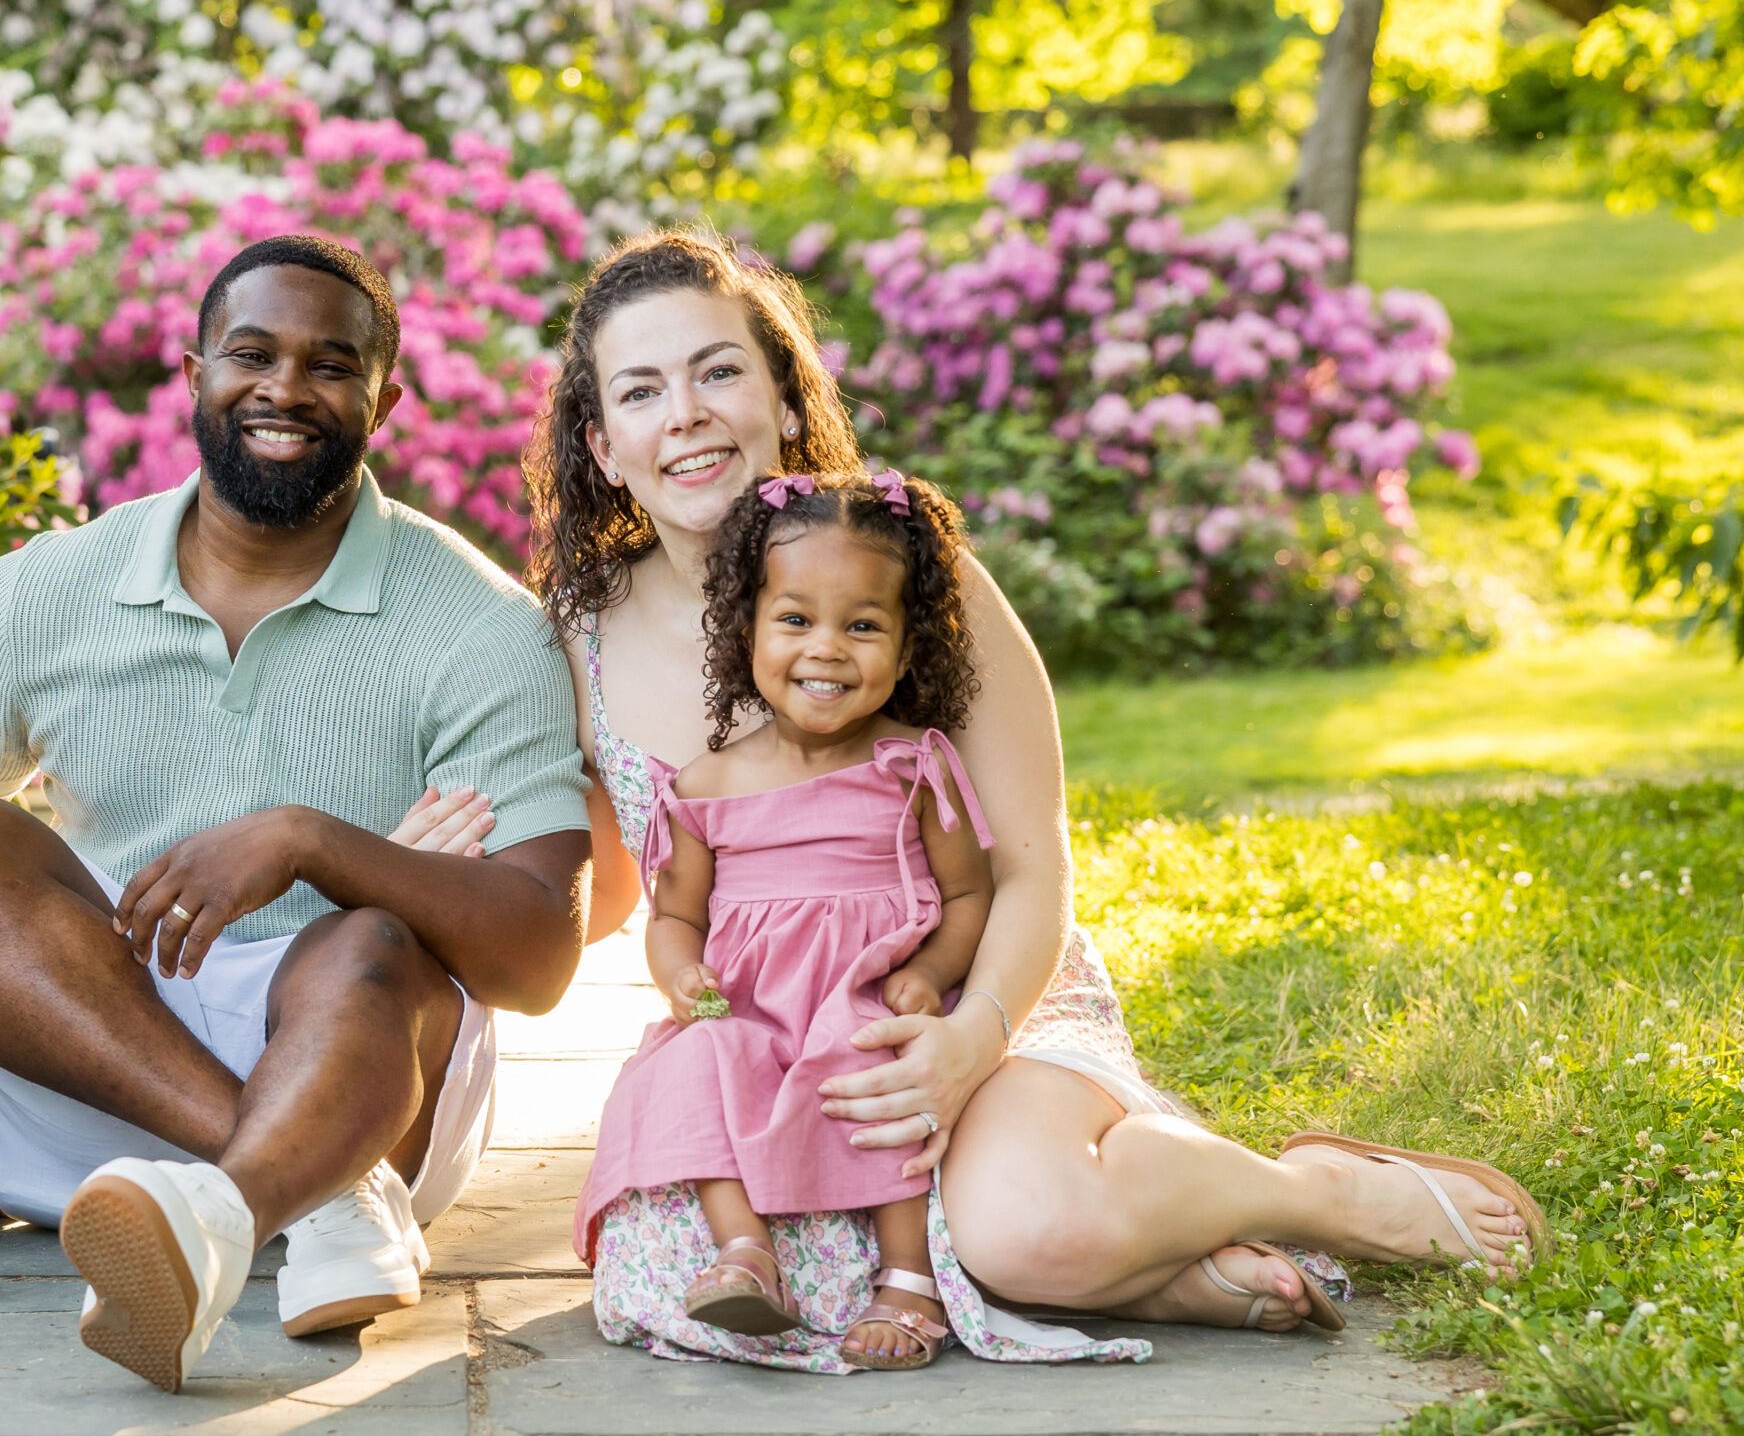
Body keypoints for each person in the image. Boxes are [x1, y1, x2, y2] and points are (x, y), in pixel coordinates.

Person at [513, 228, 1542, 1372]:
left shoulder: (914, 575)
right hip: (766, 1039)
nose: (687, 413)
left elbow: (1031, 867)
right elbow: (608, 882)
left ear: (784, 400)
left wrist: (968, 1037)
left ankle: (1321, 1191)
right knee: (710, 1257)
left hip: (976, 985)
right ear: (603, 446)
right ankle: (1172, 1269)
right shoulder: (577, 634)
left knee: (1024, 1223)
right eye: (643, 390)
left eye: (717, 372)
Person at [0, 235, 591, 1393]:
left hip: (366, 1078)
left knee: (366, 936)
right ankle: (288, 1193)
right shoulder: (38, 594)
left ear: (387, 396)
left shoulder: (478, 625)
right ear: (191, 374)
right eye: (252, 353)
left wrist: (313, 838)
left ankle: (223, 1206)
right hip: (93, 1069)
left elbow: (537, 958)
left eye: (331, 363)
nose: (284, 387)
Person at [575, 470, 998, 1371]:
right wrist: (680, 976)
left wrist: (930, 974)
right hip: (754, 1010)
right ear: (747, 630)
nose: (828, 650)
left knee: (874, 1054)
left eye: (863, 625)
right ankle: (744, 1250)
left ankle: (908, 1274)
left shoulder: (913, 767)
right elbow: (673, 917)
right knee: (689, 1062)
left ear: (908, 645)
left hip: (866, 992)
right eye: (796, 620)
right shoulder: (706, 783)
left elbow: (968, 897)